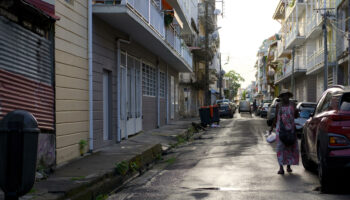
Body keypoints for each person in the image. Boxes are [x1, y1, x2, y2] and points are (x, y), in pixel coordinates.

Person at [273, 89, 299, 175]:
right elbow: (276, 117)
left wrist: (296, 111)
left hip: (291, 129)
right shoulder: (278, 105)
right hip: (280, 129)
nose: (285, 97)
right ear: (281, 97)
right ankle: (281, 168)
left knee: (290, 147)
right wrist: (271, 128)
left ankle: (288, 166)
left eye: (286, 95)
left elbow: (296, 116)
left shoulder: (293, 104)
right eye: (283, 96)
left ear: (289, 96)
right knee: (280, 148)